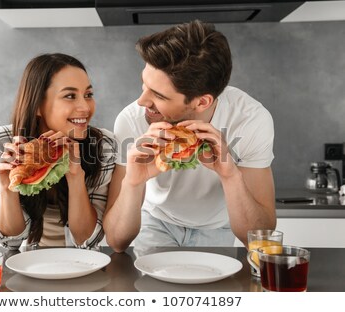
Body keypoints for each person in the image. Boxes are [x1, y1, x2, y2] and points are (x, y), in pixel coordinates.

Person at [103, 20, 276, 254]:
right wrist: (134, 181)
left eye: (158, 95)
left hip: (218, 227)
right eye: (144, 85)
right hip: (155, 221)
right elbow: (116, 242)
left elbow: (259, 238)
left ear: (202, 102)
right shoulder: (132, 118)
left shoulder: (251, 120)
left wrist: (230, 174)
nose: (142, 101)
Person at [0, 53, 116, 250]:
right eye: (70, 96)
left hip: (83, 266)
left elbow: (87, 240)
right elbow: (11, 241)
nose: (85, 107)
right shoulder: (1, 142)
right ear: (37, 105)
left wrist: (75, 175)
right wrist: (7, 187)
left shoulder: (104, 145)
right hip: (25, 265)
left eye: (88, 95)